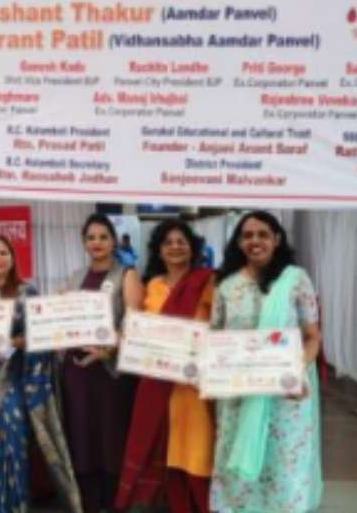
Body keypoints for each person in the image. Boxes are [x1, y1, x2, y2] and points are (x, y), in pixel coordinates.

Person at [0, 235, 82, 513]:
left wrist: (14, 342)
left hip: (12, 379)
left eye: (3, 253)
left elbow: (41, 335)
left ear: (12, 258)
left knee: (13, 445)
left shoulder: (27, 293)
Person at [210, 212, 323, 513]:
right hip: (238, 394)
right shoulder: (226, 285)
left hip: (283, 396)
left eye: (262, 234)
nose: (255, 241)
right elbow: (216, 337)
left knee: (283, 467)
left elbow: (312, 337)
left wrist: (296, 370)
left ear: (277, 239)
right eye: (247, 235)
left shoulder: (295, 279)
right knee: (236, 469)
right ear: (238, 242)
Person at [117, 219, 216, 513]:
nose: (175, 247)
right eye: (168, 243)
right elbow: (138, 331)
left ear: (192, 248)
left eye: (181, 242)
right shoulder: (152, 286)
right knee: (170, 458)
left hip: (196, 388)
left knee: (200, 458)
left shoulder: (208, 282)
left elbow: (221, 327)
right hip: (160, 388)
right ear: (159, 250)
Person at [61, 214, 144, 513]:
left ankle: (113, 504)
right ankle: (87, 504)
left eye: (103, 237)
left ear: (113, 241)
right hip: (77, 371)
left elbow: (135, 323)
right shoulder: (73, 278)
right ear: (84, 243)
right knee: (81, 436)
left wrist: (106, 349)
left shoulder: (127, 275)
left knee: (111, 438)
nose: (97, 242)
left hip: (110, 373)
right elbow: (59, 317)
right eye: (91, 237)